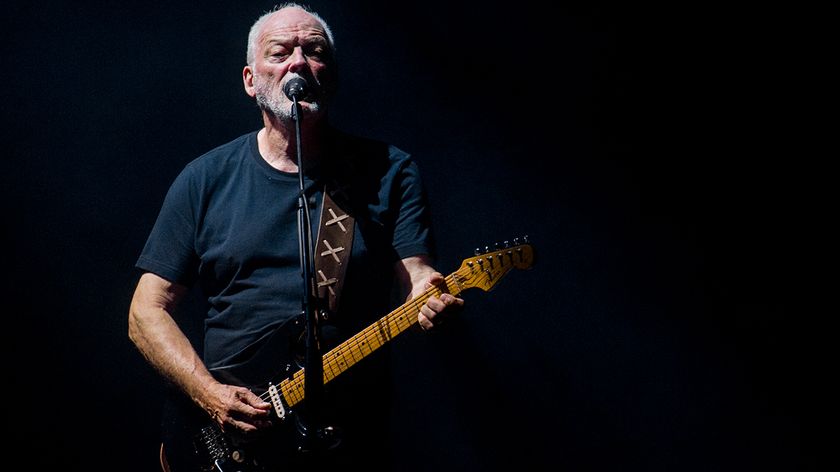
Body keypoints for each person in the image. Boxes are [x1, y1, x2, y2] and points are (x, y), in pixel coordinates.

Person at [127, 3, 463, 471]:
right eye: (280, 52)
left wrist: (429, 295)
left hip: (349, 433)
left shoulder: (388, 171)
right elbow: (145, 311)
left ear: (332, 76)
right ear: (250, 80)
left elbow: (417, 276)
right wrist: (209, 394)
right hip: (231, 437)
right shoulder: (204, 179)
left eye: (314, 51)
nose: (298, 62)